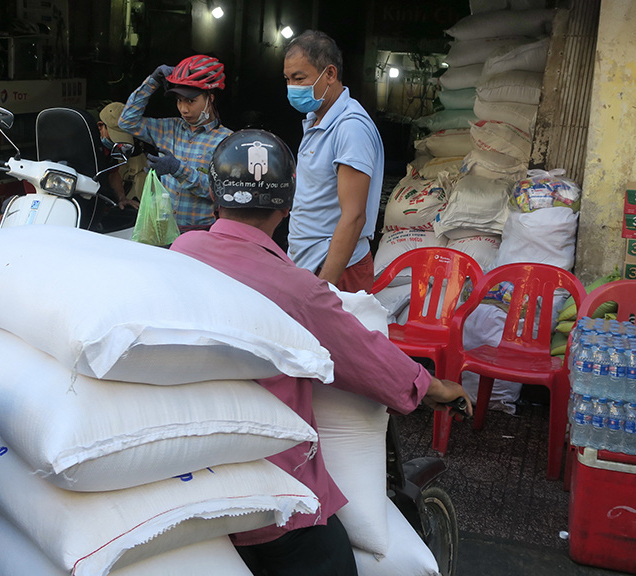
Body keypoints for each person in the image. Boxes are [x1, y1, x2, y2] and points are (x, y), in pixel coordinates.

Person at [170, 129, 472, 576]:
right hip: (276, 503)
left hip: (190, 473)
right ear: (286, 206)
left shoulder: (181, 252)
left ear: (215, 197)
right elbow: (365, 356)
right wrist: (432, 387)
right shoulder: (297, 290)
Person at [283, 31, 384, 293]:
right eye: (287, 79)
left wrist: (323, 287)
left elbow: (354, 216)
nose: (292, 87)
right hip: (309, 265)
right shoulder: (315, 120)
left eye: (299, 78)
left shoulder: (350, 128)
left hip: (337, 271)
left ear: (329, 74)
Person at [118, 54, 233, 231]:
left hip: (201, 232)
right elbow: (127, 121)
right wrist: (152, 81)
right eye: (179, 100)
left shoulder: (226, 141)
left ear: (210, 98)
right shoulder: (169, 127)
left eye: (191, 101)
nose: (183, 109)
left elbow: (220, 191)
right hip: (163, 229)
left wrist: (178, 169)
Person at [97, 101, 142, 210]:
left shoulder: (111, 149)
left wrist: (122, 198)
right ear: (100, 126)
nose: (116, 142)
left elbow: (113, 174)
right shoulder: (85, 143)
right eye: (113, 136)